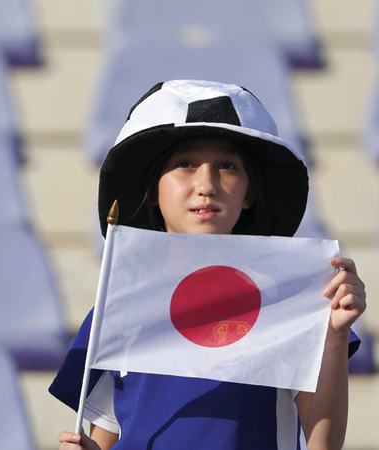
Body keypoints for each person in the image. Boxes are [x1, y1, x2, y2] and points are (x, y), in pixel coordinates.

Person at [51, 80, 366, 449]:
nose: (207, 184)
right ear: (152, 190)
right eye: (184, 164)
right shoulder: (116, 306)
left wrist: (333, 336)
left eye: (227, 166)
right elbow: (112, 434)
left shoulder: (293, 302)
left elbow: (324, 444)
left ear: (249, 193)